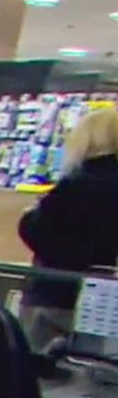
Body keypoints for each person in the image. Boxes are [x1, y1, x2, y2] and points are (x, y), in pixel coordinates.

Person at [17, 107, 118, 350]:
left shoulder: (74, 184)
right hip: (104, 300)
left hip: (55, 293)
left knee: (38, 362)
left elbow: (38, 232)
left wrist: (29, 216)